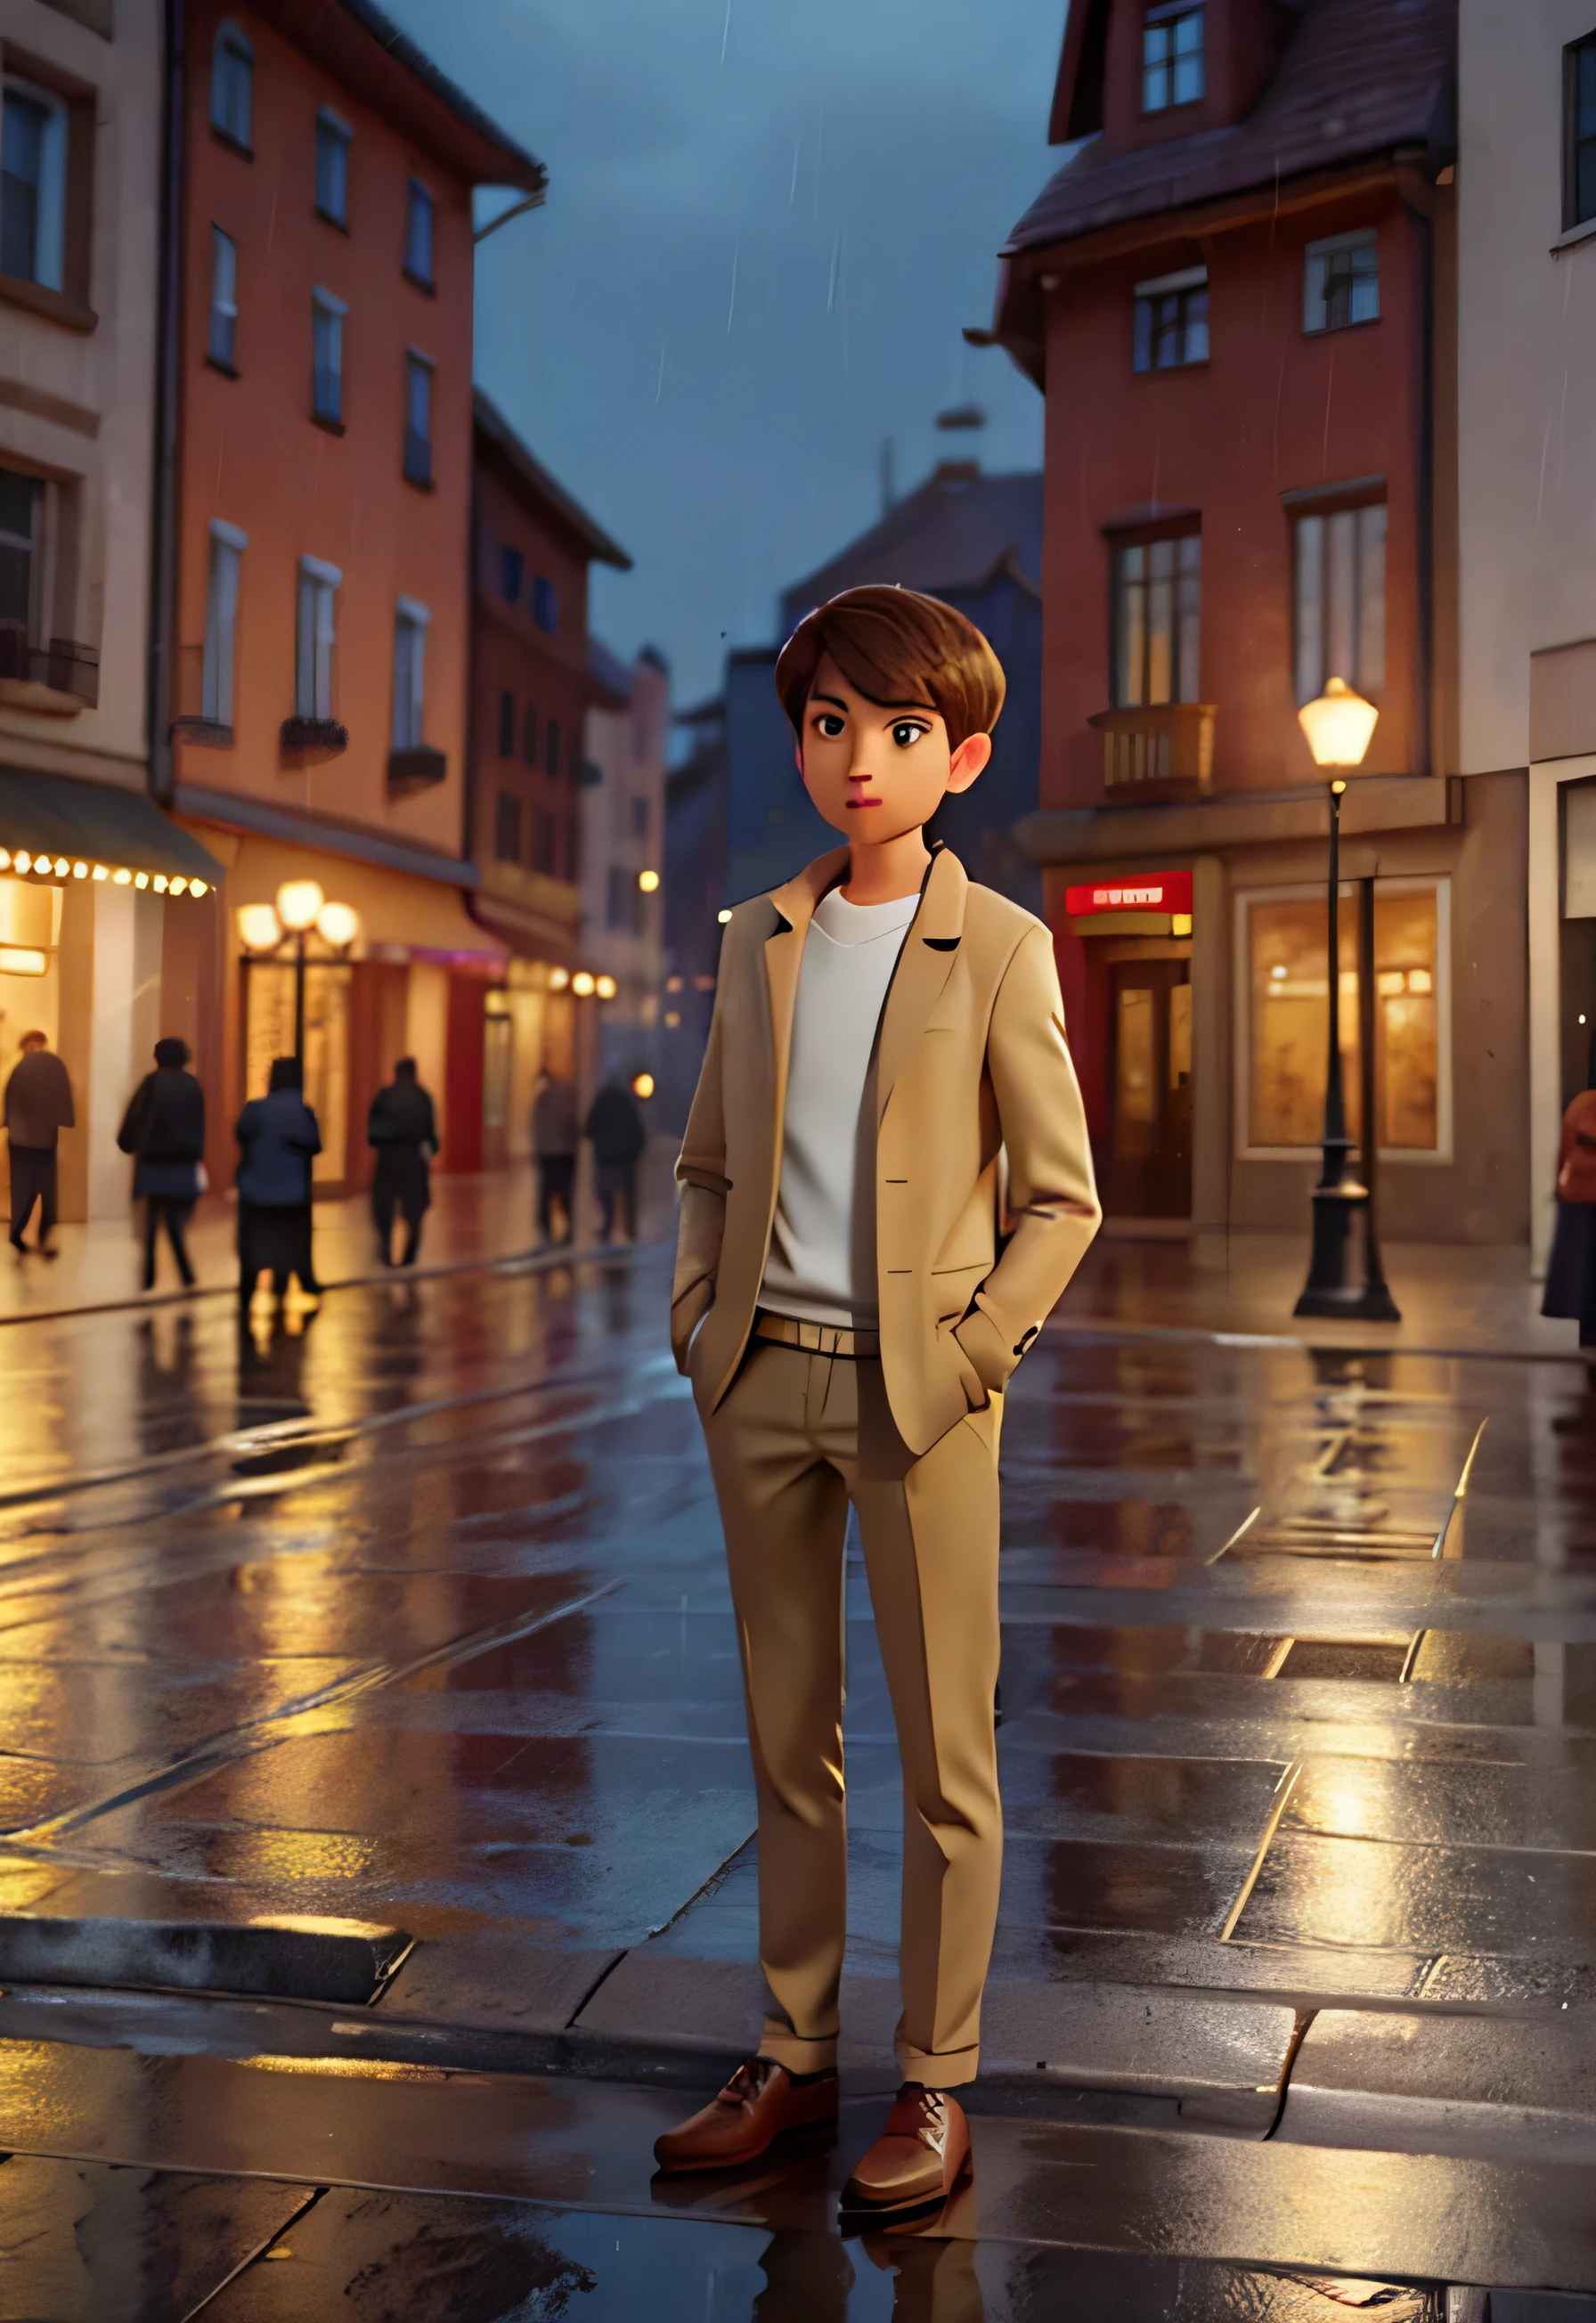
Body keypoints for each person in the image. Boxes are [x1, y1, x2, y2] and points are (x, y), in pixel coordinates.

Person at [654, 588, 1099, 2211]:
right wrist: (702, 1319)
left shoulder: (1002, 948)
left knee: (942, 1755)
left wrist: (977, 1352)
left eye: (900, 730)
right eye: (832, 722)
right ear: (800, 738)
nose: (860, 757)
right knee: (788, 1745)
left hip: (923, 1395)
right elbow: (706, 1159)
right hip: (760, 1377)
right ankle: (790, 2051)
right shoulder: (754, 938)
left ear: (962, 755)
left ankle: (933, 2076)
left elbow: (1062, 1195)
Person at [118, 1037, 206, 1291]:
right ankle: (187, 1274)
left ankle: (148, 1277)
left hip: (153, 1163)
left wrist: (127, 1143)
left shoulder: (151, 1083)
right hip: (182, 1164)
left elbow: (133, 1117)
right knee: (175, 1223)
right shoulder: (193, 1086)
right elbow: (199, 1126)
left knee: (151, 1222)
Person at [235, 1056, 322, 1305]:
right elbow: (314, 1145)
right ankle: (283, 1287)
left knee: (254, 1246)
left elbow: (241, 1136)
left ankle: (248, 1293)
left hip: (256, 1191)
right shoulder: (303, 1111)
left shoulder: (255, 1109)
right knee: (288, 1241)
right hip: (292, 1194)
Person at [3, 1030, 76, 1257]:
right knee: (47, 1189)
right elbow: (64, 1099)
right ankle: (39, 1236)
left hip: (21, 1140)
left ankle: (18, 1233)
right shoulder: (53, 1066)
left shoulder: (20, 1069)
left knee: (24, 1189)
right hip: (45, 1138)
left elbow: (10, 1103)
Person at [1544, 1039, 1596, 1348]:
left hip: (1581, 1202)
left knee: (1584, 1277)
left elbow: (1563, 1154)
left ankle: (1588, 1343)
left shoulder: (1580, 1105)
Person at [367, 1057, 438, 1267]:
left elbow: (372, 1133)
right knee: (414, 1211)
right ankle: (409, 1256)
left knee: (384, 1208)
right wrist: (430, 1152)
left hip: (387, 1158)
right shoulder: (423, 1097)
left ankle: (387, 1251)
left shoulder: (384, 1096)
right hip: (413, 1159)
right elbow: (430, 1133)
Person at [585, 1076, 646, 1243]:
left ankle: (607, 1229)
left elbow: (588, 1129)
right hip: (625, 1157)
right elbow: (638, 1132)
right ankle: (629, 1230)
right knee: (627, 1194)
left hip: (605, 1158)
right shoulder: (626, 1103)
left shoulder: (600, 1103)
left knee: (606, 1193)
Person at [531, 1068, 578, 1245]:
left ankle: (546, 1232)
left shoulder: (542, 1098)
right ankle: (568, 1230)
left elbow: (537, 1126)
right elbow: (571, 1123)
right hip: (565, 1152)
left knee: (546, 1192)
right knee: (564, 1192)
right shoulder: (565, 1097)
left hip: (547, 1153)